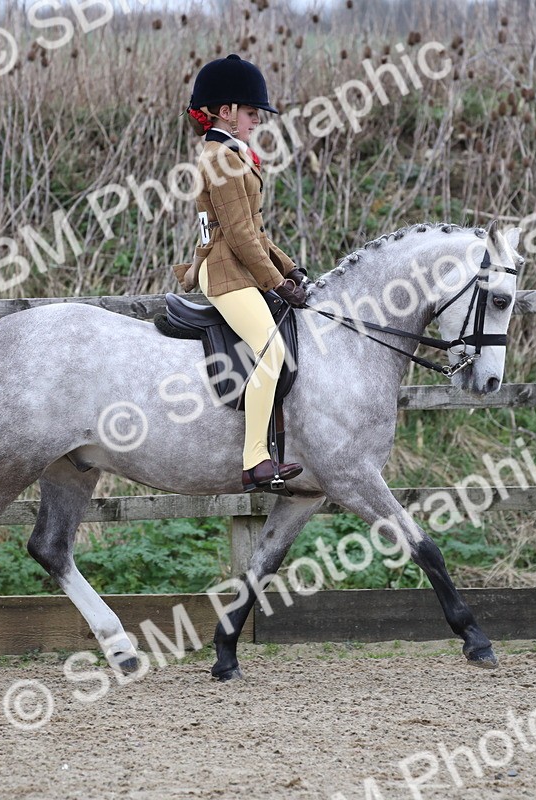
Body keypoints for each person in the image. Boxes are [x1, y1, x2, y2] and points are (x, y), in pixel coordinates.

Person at [172, 54, 308, 494]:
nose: (255, 121)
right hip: (226, 273)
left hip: (238, 264)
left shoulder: (230, 153)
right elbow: (240, 237)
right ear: (225, 111)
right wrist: (276, 283)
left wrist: (289, 269)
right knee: (270, 352)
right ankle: (255, 460)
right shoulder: (223, 158)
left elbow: (254, 229)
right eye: (251, 113)